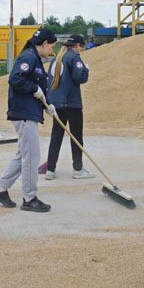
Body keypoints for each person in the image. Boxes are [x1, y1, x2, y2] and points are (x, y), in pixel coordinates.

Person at [0, 27, 57, 213]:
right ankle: (29, 198)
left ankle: (1, 189)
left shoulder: (33, 58)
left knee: (23, 155)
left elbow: (39, 90)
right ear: (43, 44)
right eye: (51, 46)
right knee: (32, 156)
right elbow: (16, 79)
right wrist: (34, 88)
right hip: (24, 114)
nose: (52, 51)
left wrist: (48, 105)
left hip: (29, 112)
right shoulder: (28, 57)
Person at [45, 34, 94, 180]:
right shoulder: (73, 57)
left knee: (56, 136)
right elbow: (80, 78)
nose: (81, 50)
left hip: (57, 104)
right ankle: (78, 169)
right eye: (81, 47)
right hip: (72, 103)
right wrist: (86, 69)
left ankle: (50, 169)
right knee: (76, 136)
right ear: (77, 45)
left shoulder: (56, 59)